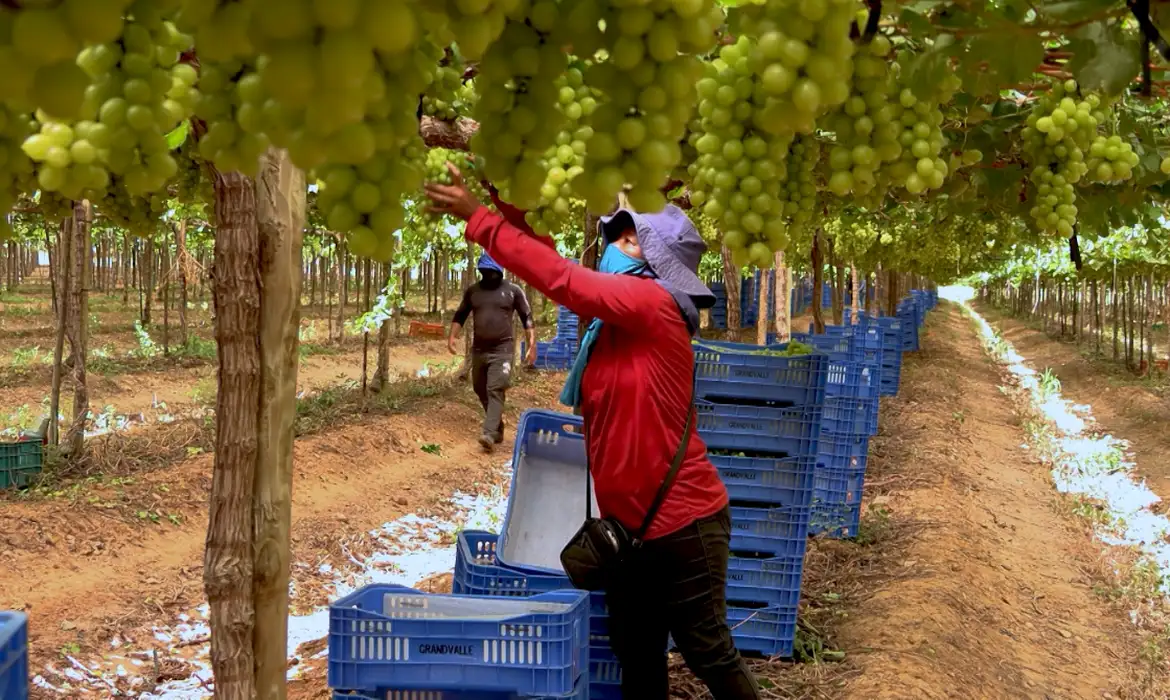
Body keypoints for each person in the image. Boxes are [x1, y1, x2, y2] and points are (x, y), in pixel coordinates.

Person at [426, 165, 760, 700]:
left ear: (657, 262)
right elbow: (553, 264)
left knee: (708, 651)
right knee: (637, 656)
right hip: (630, 529)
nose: (614, 245)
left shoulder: (652, 306)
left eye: (630, 240)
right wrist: (508, 200)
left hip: (683, 523)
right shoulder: (612, 327)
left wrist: (482, 221)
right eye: (620, 235)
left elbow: (565, 281)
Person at [450, 252, 537, 452]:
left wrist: (532, 344)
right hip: (479, 349)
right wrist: (452, 337)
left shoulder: (513, 291)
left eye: (492, 271)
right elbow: (461, 314)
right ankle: (497, 427)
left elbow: (527, 317)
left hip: (503, 350)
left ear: (499, 271)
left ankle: (488, 433)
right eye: (485, 271)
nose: (489, 275)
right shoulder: (473, 292)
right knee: (479, 388)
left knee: (495, 388)